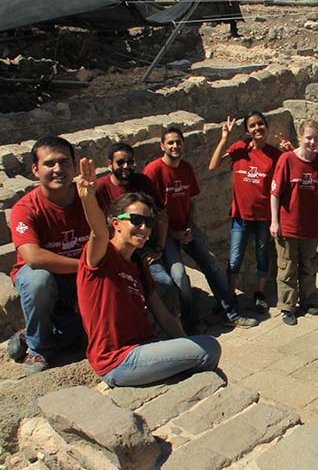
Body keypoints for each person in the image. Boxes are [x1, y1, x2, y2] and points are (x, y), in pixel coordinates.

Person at [73, 158, 221, 387]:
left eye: (149, 223)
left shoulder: (139, 265)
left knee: (201, 349)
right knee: (210, 347)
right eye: (136, 220)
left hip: (145, 348)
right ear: (116, 223)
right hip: (118, 360)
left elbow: (163, 316)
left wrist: (184, 344)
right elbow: (98, 233)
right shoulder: (102, 258)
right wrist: (88, 198)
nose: (144, 228)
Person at [143, 127, 257, 329]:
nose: (175, 146)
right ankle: (191, 322)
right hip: (165, 234)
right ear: (162, 146)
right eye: (170, 143)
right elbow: (152, 213)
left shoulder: (186, 168)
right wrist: (174, 234)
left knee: (212, 265)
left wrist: (188, 228)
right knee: (178, 276)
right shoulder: (154, 171)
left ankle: (230, 312)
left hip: (186, 228)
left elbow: (190, 202)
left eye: (178, 142)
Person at [8, 136, 88, 375]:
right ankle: (38, 347)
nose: (58, 170)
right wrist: (86, 265)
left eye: (64, 162)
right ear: (35, 169)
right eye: (49, 164)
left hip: (79, 274)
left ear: (73, 166)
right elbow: (33, 257)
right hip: (48, 274)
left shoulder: (88, 198)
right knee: (38, 280)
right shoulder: (25, 208)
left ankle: (30, 333)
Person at [208, 111, 288, 315]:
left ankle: (259, 295)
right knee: (235, 259)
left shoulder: (274, 155)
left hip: (263, 217)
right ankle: (230, 295)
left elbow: (289, 177)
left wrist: (291, 150)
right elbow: (213, 166)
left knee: (262, 257)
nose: (257, 128)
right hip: (241, 216)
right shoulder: (240, 149)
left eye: (260, 124)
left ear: (266, 126)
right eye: (252, 126)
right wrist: (224, 139)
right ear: (247, 130)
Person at [95, 142, 179, 316]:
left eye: (130, 162)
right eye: (120, 162)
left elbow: (161, 215)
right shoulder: (101, 188)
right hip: (115, 253)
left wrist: (159, 248)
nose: (126, 167)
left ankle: (175, 324)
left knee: (165, 284)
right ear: (109, 164)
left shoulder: (142, 182)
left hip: (142, 249)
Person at [270, 120, 318, 326]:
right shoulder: (287, 159)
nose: (312, 142)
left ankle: (308, 299)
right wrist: (274, 222)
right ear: (300, 138)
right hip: (288, 224)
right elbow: (275, 194)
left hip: (311, 226)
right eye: (308, 137)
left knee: (309, 265)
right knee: (287, 267)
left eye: (316, 138)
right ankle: (287, 306)